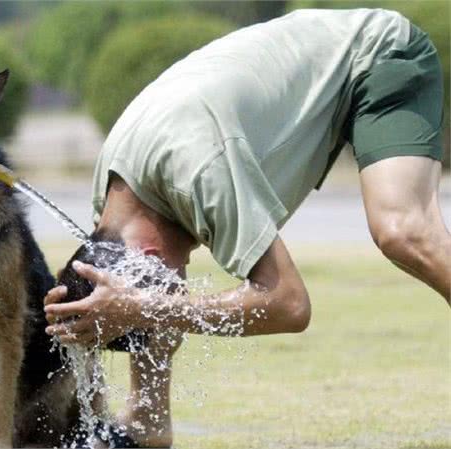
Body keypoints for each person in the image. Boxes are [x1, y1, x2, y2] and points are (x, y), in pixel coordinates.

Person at [44, 8, 450, 447]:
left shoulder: (199, 171)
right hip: (310, 66)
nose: (168, 283)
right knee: (144, 298)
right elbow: (144, 288)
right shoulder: (113, 202)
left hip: (378, 53)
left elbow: (289, 304)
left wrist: (141, 307)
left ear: (151, 258)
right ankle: (148, 421)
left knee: (402, 230)